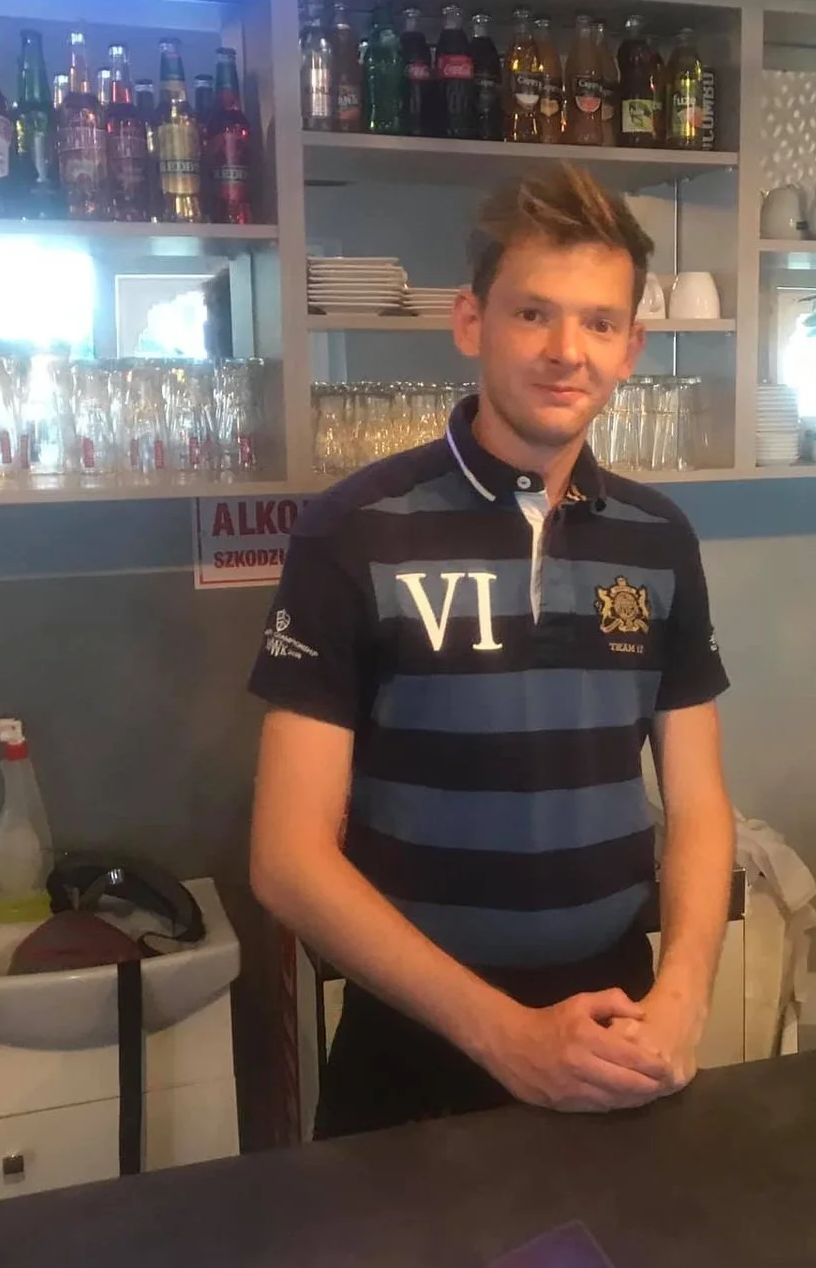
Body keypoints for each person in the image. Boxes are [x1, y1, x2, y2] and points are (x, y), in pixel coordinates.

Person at [248, 164, 735, 1138]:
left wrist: (682, 997)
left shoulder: (660, 536)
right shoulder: (354, 530)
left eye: (599, 324)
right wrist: (505, 1037)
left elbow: (699, 804)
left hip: (615, 1027)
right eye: (533, 316)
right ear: (472, 322)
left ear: (632, 347)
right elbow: (286, 858)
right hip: (416, 1042)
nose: (567, 352)